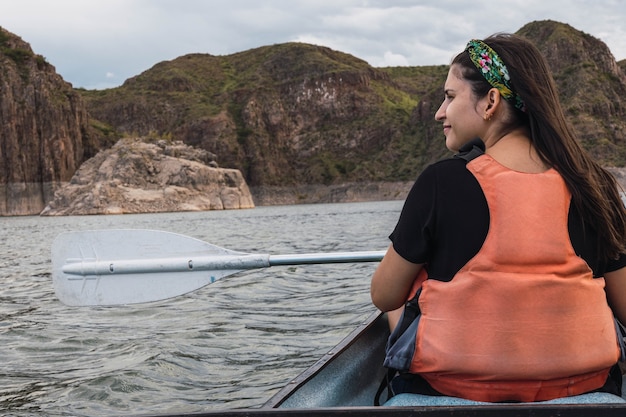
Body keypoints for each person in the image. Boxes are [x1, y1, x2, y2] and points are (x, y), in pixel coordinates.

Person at [370, 33, 626, 404]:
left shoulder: (440, 182)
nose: (441, 112)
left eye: (451, 97)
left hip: (454, 393)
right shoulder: (594, 185)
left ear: (490, 101)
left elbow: (383, 295)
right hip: (585, 394)